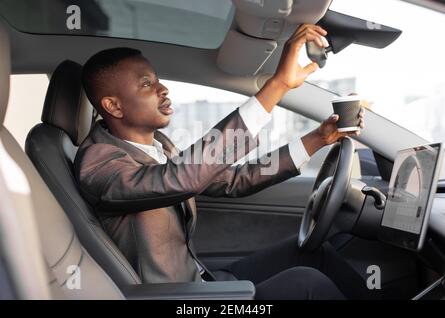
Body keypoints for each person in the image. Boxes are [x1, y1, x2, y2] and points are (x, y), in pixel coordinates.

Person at [74, 24, 364, 299]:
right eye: (147, 84)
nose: (163, 89)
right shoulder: (99, 165)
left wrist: (318, 139)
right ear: (113, 105)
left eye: (158, 80)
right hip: (181, 299)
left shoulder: (158, 147)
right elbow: (183, 178)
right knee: (306, 284)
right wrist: (276, 86)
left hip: (202, 282)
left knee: (314, 253)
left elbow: (234, 181)